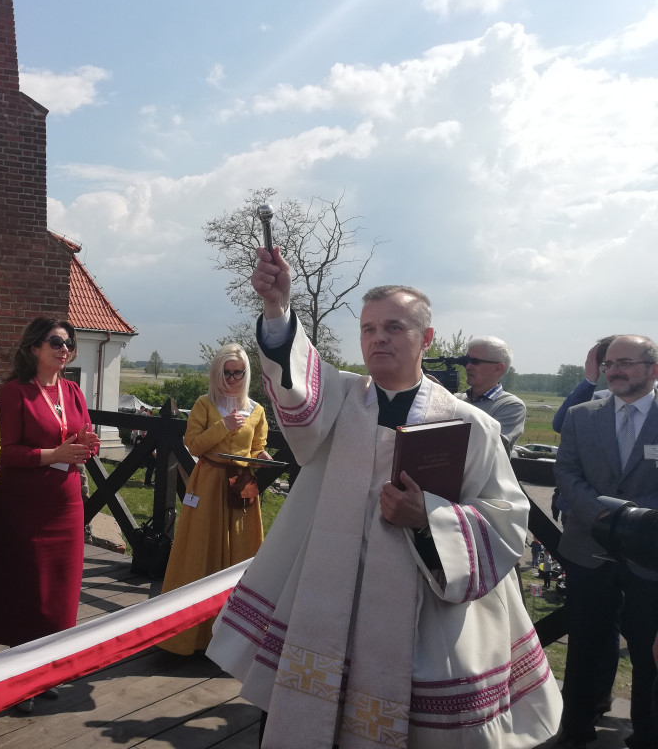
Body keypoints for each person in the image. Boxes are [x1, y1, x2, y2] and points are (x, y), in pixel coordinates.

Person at [206, 245, 560, 748]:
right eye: (368, 328)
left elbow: (505, 520)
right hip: (326, 609)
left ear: (426, 338)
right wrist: (277, 308)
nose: (378, 338)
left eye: (394, 327)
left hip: (422, 623)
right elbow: (295, 383)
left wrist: (430, 516)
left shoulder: (470, 425)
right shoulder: (339, 401)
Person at [0, 317, 99, 715]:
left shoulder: (72, 390)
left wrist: (87, 444)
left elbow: (82, 436)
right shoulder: (16, 392)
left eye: (69, 343)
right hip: (24, 507)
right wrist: (53, 454)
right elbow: (5, 451)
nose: (65, 349)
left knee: (59, 593)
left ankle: (42, 674)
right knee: (27, 591)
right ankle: (18, 683)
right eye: (56, 342)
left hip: (65, 505)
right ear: (34, 348)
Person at [553, 335, 658, 749]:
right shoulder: (580, 416)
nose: (614, 370)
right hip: (588, 549)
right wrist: (603, 514)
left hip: (650, 554)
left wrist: (635, 521)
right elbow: (567, 471)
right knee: (585, 645)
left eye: (625, 362)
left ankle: (647, 734)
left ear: (653, 369)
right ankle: (577, 728)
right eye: (609, 363)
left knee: (648, 650)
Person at [158, 343, 270, 655]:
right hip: (207, 485)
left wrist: (264, 458)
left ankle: (235, 638)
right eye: (226, 372)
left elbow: (257, 447)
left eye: (238, 373)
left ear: (246, 374)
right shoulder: (204, 404)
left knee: (242, 551)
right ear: (217, 372)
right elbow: (193, 445)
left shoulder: (257, 410)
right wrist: (224, 426)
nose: (232, 378)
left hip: (241, 486)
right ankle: (192, 636)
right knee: (199, 550)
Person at [458, 335, 526, 453]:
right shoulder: (456, 399)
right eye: (466, 360)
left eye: (474, 361)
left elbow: (490, 444)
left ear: (498, 368)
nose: (468, 366)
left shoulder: (512, 406)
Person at [552, 336, 618, 434]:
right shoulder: (598, 401)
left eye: (625, 363)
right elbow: (562, 425)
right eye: (607, 365)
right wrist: (590, 380)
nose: (613, 372)